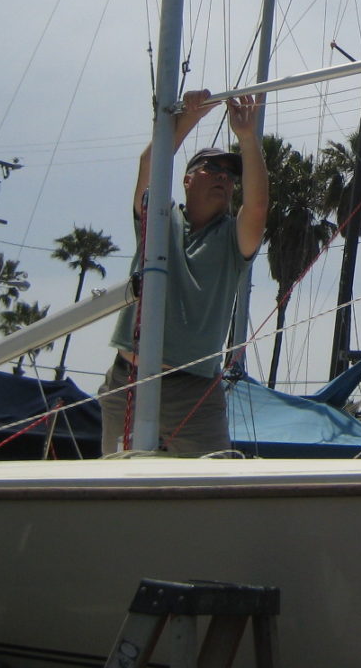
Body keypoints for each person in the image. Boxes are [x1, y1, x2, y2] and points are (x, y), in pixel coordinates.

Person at [98, 89, 266, 456]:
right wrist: (190, 116)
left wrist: (249, 139)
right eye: (213, 169)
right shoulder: (159, 218)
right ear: (187, 180)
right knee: (115, 485)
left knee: (208, 493)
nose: (224, 178)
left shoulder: (233, 241)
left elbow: (256, 208)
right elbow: (149, 166)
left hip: (193, 395)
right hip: (126, 383)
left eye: (230, 175)